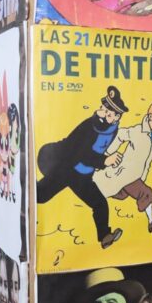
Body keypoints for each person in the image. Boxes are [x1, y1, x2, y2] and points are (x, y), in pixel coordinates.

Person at [37, 86, 128, 249]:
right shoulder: (89, 126)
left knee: (100, 203)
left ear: (117, 117)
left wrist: (104, 162)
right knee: (41, 195)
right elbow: (81, 154)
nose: (104, 115)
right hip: (64, 165)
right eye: (103, 109)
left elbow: (96, 150)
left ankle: (105, 236)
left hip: (83, 175)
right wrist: (105, 161)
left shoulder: (113, 130)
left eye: (110, 114)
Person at [93, 96, 152, 234]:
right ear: (150, 117)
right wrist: (108, 153)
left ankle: (96, 192)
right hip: (127, 172)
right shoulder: (137, 131)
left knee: (121, 194)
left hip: (138, 174)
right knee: (145, 193)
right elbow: (120, 135)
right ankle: (151, 221)